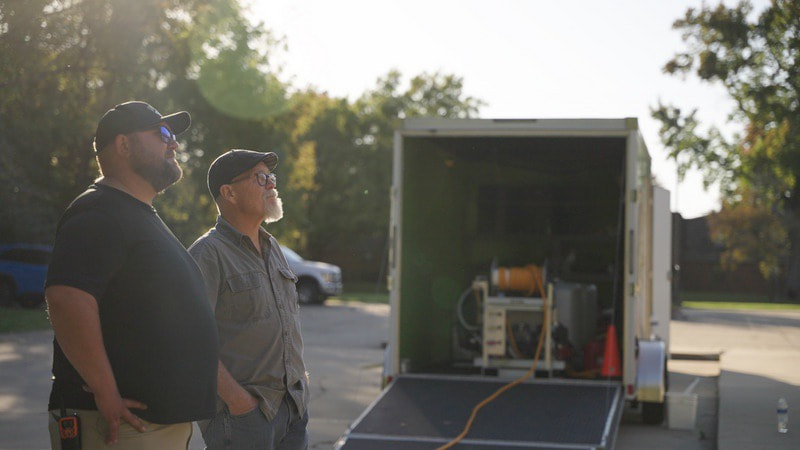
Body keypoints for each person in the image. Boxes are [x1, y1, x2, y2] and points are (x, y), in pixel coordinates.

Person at [45, 101, 219, 449]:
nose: (174, 143)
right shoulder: (99, 210)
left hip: (153, 426)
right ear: (123, 145)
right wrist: (106, 391)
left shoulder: (137, 214)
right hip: (119, 426)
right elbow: (67, 300)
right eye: (162, 133)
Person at [189, 149, 309, 450]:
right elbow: (187, 340)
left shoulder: (273, 247)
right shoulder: (208, 254)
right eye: (260, 178)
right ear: (228, 193)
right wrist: (239, 402)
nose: (271, 184)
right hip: (245, 420)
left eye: (271, 177)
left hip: (293, 407)